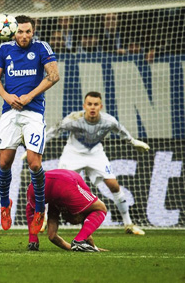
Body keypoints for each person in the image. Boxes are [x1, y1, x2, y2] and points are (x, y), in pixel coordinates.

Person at [42, 91, 149, 235]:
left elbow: (120, 130)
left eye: (96, 104)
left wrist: (133, 141)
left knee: (113, 184)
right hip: (73, 153)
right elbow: (55, 130)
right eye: (90, 104)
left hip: (95, 153)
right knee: (60, 188)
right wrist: (38, 147)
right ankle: (44, 220)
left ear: (101, 106)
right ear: (84, 106)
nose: (92, 107)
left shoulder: (108, 121)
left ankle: (128, 224)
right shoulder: (74, 119)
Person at [0, 15, 59, 233]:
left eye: (28, 31)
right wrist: (6, 96)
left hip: (33, 113)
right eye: (20, 31)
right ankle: (5, 205)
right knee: (4, 163)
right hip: (10, 111)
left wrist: (29, 96)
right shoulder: (4, 50)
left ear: (33, 31)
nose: (24, 36)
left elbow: (54, 75)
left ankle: (40, 207)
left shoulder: (41, 48)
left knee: (35, 164)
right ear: (13, 31)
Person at [26, 169, 108, 252]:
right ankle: (79, 241)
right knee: (101, 208)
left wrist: (79, 247)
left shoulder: (55, 204)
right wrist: (83, 238)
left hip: (37, 184)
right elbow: (88, 231)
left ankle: (33, 241)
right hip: (64, 183)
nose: (77, 222)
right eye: (77, 221)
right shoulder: (83, 192)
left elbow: (52, 236)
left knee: (31, 207)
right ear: (80, 213)